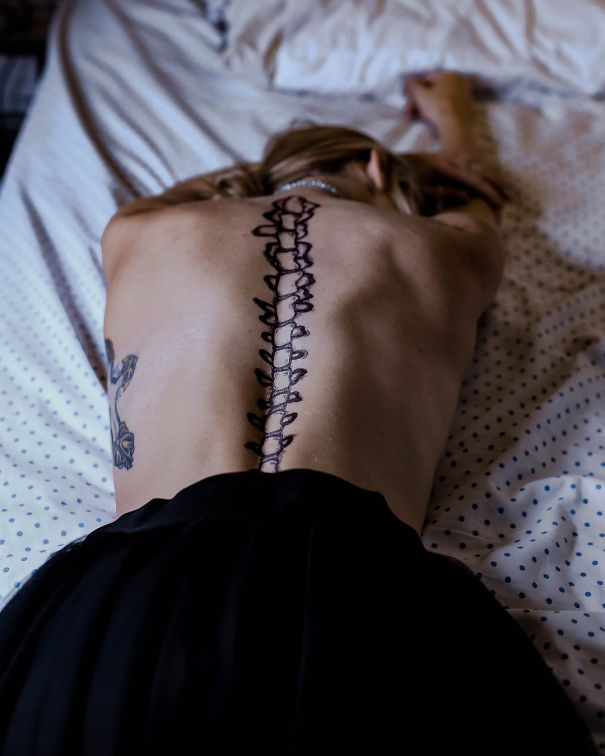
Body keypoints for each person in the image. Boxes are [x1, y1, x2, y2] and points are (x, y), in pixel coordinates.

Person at [0, 71, 598, 755]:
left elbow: (192, 189)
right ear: (379, 169)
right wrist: (450, 125)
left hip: (142, 581)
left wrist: (267, 176)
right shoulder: (448, 247)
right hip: (362, 583)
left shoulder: (140, 228)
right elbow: (475, 186)